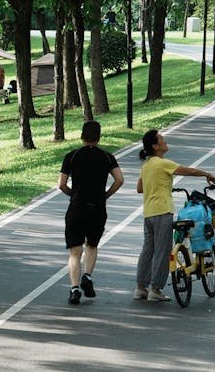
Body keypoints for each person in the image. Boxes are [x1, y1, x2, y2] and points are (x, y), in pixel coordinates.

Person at [134, 130, 215, 302]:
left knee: (148, 250)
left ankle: (140, 288)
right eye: (162, 140)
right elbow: (187, 171)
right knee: (162, 251)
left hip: (149, 213)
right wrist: (206, 174)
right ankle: (156, 289)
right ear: (155, 146)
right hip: (162, 211)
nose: (165, 142)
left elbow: (140, 188)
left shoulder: (147, 165)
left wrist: (159, 185)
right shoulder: (161, 163)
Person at [58, 120, 125, 305]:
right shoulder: (107, 157)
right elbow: (119, 179)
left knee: (75, 251)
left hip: (77, 207)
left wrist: (73, 194)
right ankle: (87, 276)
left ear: (81, 136)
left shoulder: (71, 156)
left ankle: (74, 288)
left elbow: (62, 184)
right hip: (97, 207)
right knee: (92, 245)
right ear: (98, 137)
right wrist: (106, 195)